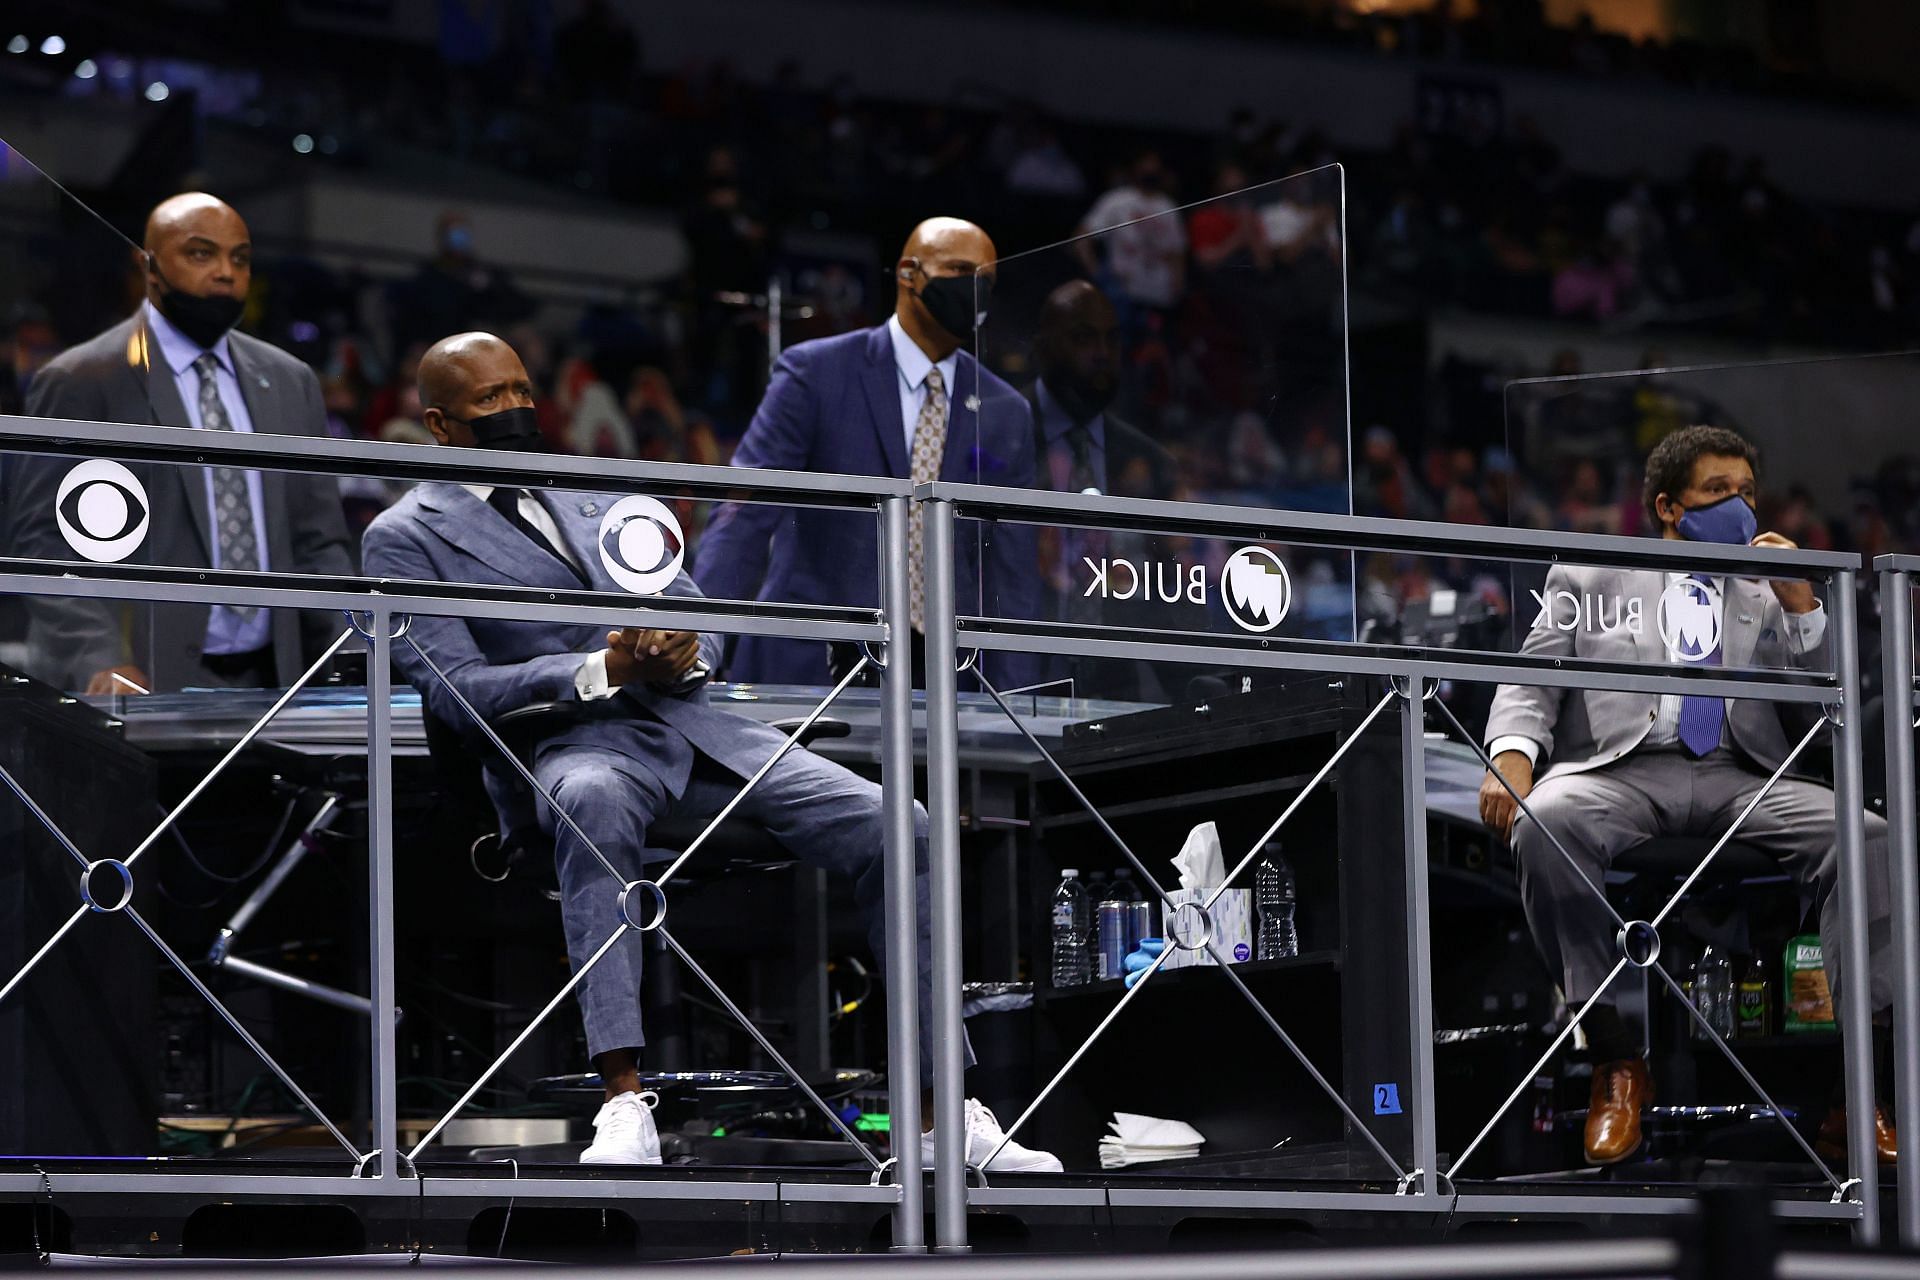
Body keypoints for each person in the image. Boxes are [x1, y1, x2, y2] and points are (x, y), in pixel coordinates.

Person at [362, 332, 1060, 1172]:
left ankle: (936, 1115)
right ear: (439, 424)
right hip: (569, 745)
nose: (517, 409)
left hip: (700, 730)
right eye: (489, 401)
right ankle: (624, 1104)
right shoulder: (404, 535)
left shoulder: (595, 492)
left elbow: (697, 609)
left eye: (520, 390)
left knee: (901, 823)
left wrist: (687, 646)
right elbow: (455, 690)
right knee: (592, 801)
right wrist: (600, 666)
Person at [1479, 425, 1895, 1167]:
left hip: (1748, 776)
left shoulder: (1771, 590)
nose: (1738, 507)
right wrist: (1511, 758)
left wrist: (1802, 607)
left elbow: (1826, 716)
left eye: (1745, 492)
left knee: (1867, 837)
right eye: (1717, 492)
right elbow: (1531, 679)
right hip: (1624, 772)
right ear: (1669, 507)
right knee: (1546, 821)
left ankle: (1861, 1091)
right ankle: (1614, 1057)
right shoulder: (1591, 573)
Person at [6, 192, 352, 693]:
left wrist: (352, 649)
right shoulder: (84, 377)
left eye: (240, 258)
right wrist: (98, 660)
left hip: (279, 678)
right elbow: (46, 543)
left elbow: (318, 542)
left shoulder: (289, 379)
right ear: (147, 265)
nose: (226, 272)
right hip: (142, 673)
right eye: (200, 254)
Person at [695, 217, 1037, 688]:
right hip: (814, 664)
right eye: (961, 270)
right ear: (908, 274)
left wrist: (1019, 699)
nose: (976, 289)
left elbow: (1012, 573)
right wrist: (696, 643)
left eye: (988, 281)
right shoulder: (815, 372)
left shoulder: (1006, 411)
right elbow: (745, 512)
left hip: (947, 679)